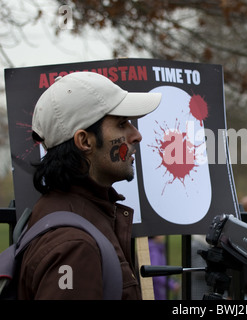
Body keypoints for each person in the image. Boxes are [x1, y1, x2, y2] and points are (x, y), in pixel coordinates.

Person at [18, 71, 161, 299]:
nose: (136, 135)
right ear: (84, 141)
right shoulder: (73, 245)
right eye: (122, 123)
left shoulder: (73, 211)